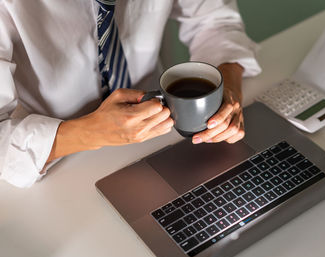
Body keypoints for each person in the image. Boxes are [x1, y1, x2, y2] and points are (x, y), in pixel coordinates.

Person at [0, 0, 261, 188]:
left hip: (158, 139)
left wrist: (226, 88)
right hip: (55, 160)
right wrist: (91, 132)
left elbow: (214, 21)